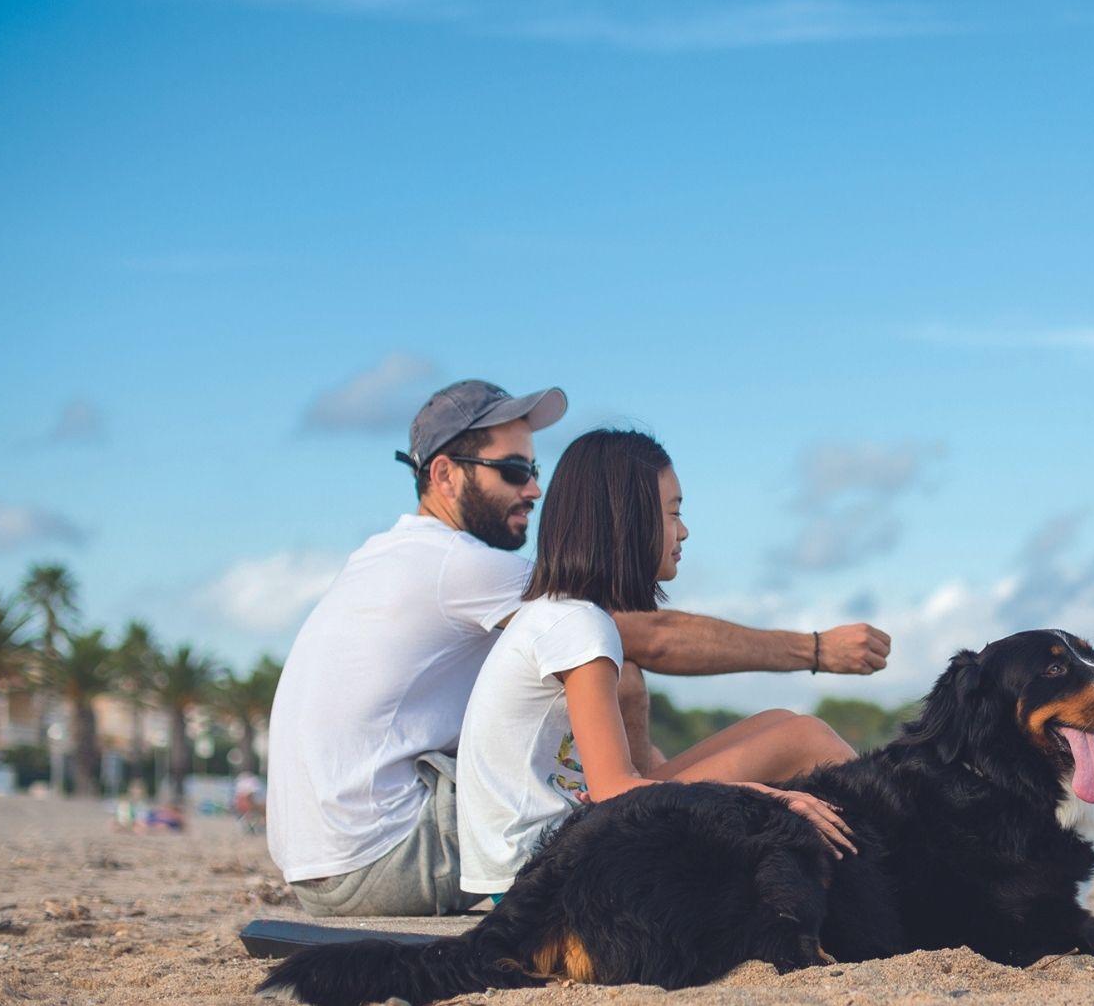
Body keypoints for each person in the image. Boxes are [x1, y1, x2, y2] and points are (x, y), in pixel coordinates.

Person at [265, 379, 890, 917]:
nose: (532, 490)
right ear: (444, 475)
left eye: (535, 471)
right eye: (512, 470)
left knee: (761, 726)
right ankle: (899, 865)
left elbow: (619, 672)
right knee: (782, 740)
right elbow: (652, 635)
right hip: (384, 855)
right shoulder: (464, 569)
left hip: (331, 854)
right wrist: (814, 651)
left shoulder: (392, 558)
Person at [456, 429, 856, 901]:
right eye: (674, 512)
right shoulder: (578, 626)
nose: (683, 530)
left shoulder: (558, 614)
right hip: (545, 881)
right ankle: (904, 859)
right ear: (628, 522)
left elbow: (615, 786)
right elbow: (612, 792)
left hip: (544, 863)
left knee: (780, 723)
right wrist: (768, 796)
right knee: (803, 739)